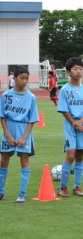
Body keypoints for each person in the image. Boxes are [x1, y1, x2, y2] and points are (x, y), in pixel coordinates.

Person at [57, 58, 83, 197]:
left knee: (80, 156)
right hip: (70, 126)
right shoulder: (65, 90)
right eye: (75, 69)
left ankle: (77, 186)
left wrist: (81, 122)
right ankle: (62, 187)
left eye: (80, 68)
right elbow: (63, 109)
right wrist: (74, 122)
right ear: (68, 72)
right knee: (70, 155)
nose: (78, 71)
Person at [0, 66, 39, 202]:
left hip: (24, 130)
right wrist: (8, 135)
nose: (24, 81)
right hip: (8, 130)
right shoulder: (6, 95)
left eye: (26, 78)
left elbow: (32, 120)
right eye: (22, 78)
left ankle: (22, 194)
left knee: (24, 159)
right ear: (14, 78)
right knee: (4, 160)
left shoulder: (31, 97)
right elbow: (2, 117)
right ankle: (1, 191)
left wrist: (24, 137)